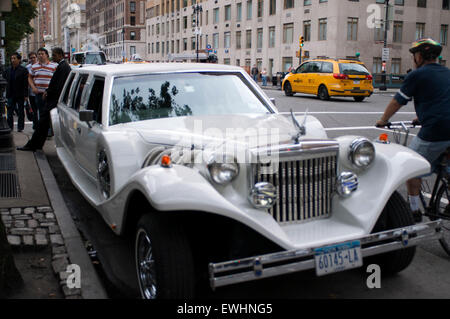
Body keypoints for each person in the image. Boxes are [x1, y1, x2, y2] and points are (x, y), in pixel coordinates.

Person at [376, 38, 450, 222]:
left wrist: (383, 120)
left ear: (420, 56)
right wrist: (421, 118)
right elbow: (439, 99)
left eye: (414, 54)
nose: (413, 58)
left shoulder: (417, 75)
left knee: (412, 165)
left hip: (436, 130)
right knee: (446, 168)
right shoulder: (447, 73)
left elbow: (398, 101)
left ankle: (414, 210)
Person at [17, 47, 71, 152]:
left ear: (60, 55)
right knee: (43, 123)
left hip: (53, 100)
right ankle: (36, 144)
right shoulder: (62, 66)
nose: (53, 57)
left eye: (54, 55)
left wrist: (47, 92)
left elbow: (58, 85)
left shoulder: (63, 67)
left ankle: (34, 144)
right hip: (50, 98)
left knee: (43, 123)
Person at [2, 52, 29, 132]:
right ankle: (10, 127)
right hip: (10, 94)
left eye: (14, 58)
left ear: (19, 60)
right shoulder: (8, 70)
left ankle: (20, 127)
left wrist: (26, 95)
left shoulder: (23, 70)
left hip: (20, 94)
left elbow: (25, 83)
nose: (12, 60)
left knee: (21, 112)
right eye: (12, 58)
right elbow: (3, 79)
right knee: (9, 112)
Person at [26, 52, 38, 129]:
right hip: (31, 92)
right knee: (34, 109)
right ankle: (35, 123)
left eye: (34, 57)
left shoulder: (40, 65)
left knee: (40, 109)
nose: (33, 59)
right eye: (31, 58)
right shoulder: (27, 67)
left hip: (39, 91)